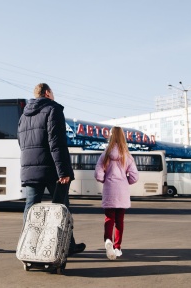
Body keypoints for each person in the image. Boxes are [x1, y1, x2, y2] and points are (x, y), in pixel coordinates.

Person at [17, 83, 86, 256]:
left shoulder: (23, 115)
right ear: (47, 93)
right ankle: (67, 246)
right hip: (52, 170)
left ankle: (27, 245)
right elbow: (57, 142)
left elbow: (21, 142)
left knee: (31, 207)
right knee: (61, 208)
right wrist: (63, 171)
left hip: (31, 169)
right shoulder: (53, 109)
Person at [94, 126, 139, 260]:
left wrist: (105, 179)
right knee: (119, 221)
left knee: (109, 219)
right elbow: (135, 176)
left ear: (111, 136)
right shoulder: (127, 155)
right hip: (122, 190)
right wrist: (126, 181)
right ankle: (117, 247)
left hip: (109, 189)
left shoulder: (105, 154)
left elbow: (98, 174)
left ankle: (108, 240)